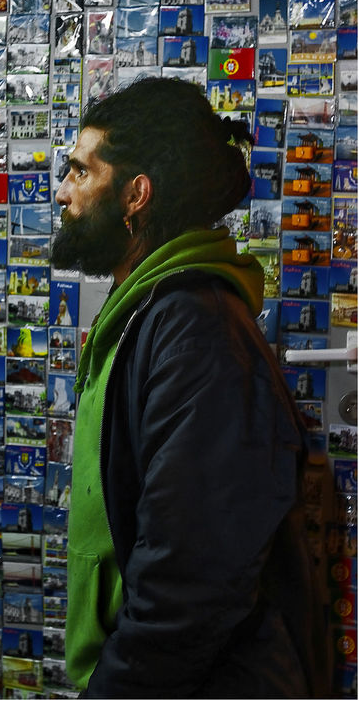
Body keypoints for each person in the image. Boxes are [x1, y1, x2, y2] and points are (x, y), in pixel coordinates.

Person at [50, 77, 330, 698]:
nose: (63, 191)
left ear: (135, 195)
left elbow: (192, 579)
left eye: (79, 171)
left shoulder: (195, 330)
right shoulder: (152, 313)